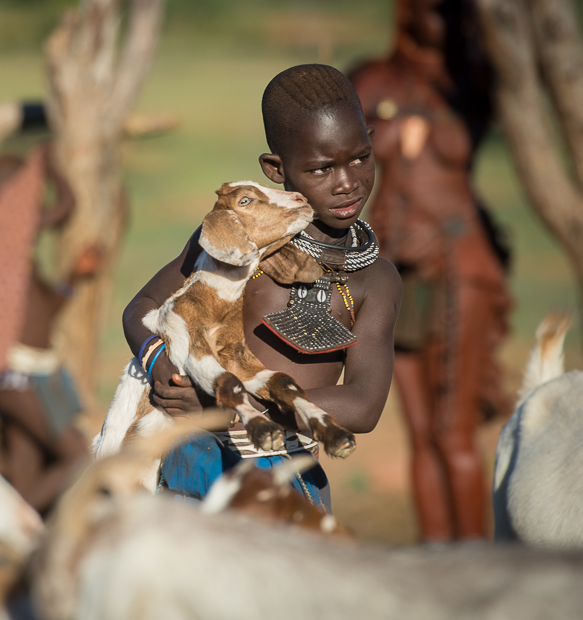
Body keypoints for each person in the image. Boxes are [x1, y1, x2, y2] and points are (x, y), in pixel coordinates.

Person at [122, 64, 402, 512]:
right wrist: (157, 362)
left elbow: (363, 404)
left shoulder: (373, 279)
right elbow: (144, 307)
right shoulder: (232, 238)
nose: (347, 181)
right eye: (321, 168)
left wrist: (226, 409)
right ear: (276, 168)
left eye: (359, 158)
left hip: (283, 481)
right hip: (186, 472)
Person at [349, 0, 512, 541]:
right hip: (393, 267)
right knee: (420, 433)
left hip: (459, 262)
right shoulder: (372, 80)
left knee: (454, 432)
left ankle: (478, 566)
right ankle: (435, 566)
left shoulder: (474, 80)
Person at [0, 145, 102, 515]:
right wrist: (46, 164)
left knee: (27, 470)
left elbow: (47, 309)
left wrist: (76, 275)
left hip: (30, 375)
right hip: (18, 378)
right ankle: (15, 525)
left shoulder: (13, 255)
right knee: (80, 461)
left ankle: (18, 538)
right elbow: (66, 205)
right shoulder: (5, 231)